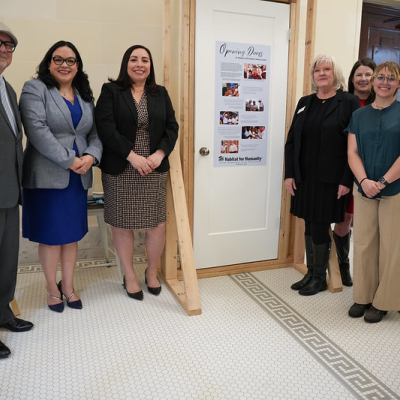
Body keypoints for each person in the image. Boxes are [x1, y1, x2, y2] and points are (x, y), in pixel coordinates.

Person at [20, 41, 102, 313]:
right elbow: (37, 130)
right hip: (48, 176)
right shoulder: (35, 89)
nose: (65, 65)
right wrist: (71, 160)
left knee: (72, 235)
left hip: (78, 177)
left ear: (78, 65)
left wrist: (90, 157)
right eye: (58, 59)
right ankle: (51, 288)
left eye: (71, 60)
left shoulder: (85, 94)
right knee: (52, 235)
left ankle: (68, 285)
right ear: (48, 62)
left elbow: (94, 134)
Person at [95, 45, 178, 300]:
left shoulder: (160, 93)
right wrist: (132, 156)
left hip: (153, 167)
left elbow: (172, 127)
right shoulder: (111, 91)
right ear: (126, 63)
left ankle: (151, 272)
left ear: (150, 66)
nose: (139, 64)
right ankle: (129, 275)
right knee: (122, 224)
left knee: (157, 225)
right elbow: (105, 127)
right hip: (122, 165)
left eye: (145, 60)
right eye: (134, 59)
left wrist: (159, 154)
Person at [284, 54, 359, 296]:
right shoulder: (305, 101)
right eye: (317, 70)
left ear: (335, 73)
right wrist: (290, 174)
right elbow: (292, 140)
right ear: (313, 76)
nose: (322, 73)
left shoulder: (348, 101)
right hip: (304, 176)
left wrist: (346, 179)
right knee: (308, 222)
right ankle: (310, 273)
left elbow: (354, 146)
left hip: (331, 178)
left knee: (319, 224)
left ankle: (319, 277)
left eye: (327, 69)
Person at [346, 61, 400, 323]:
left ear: (398, 84)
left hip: (395, 189)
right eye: (381, 77)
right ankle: (363, 296)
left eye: (392, 78)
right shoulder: (359, 115)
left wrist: (383, 181)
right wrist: (365, 180)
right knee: (364, 243)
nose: (385, 82)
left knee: (391, 247)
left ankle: (384, 301)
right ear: (373, 81)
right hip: (364, 188)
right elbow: (351, 152)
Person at [0, 22, 34, 359]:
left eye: (10, 45)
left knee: (7, 261)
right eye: (0, 43)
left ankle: (3, 314)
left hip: (9, 191)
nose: (5, 49)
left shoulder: (8, 90)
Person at [332, 58, 376, 287]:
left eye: (369, 74)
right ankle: (342, 266)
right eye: (359, 75)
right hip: (346, 169)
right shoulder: (344, 102)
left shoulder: (381, 103)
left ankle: (370, 272)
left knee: (370, 223)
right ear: (351, 78)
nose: (363, 79)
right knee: (345, 218)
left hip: (373, 171)